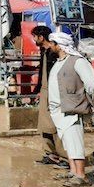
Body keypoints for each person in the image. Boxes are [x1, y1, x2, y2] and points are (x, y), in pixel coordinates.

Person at [48, 31, 94, 187]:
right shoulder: (59, 62)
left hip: (72, 109)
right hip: (59, 110)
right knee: (68, 142)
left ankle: (81, 176)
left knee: (75, 141)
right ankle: (73, 171)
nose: (50, 46)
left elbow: (92, 84)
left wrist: (85, 100)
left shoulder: (78, 61)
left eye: (52, 43)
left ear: (59, 45)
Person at [29, 25, 66, 166]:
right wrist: (36, 90)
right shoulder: (43, 51)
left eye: (34, 37)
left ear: (41, 37)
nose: (33, 40)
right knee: (44, 125)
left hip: (54, 91)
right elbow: (42, 73)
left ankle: (64, 156)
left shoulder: (54, 52)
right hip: (44, 91)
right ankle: (50, 154)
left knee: (56, 124)